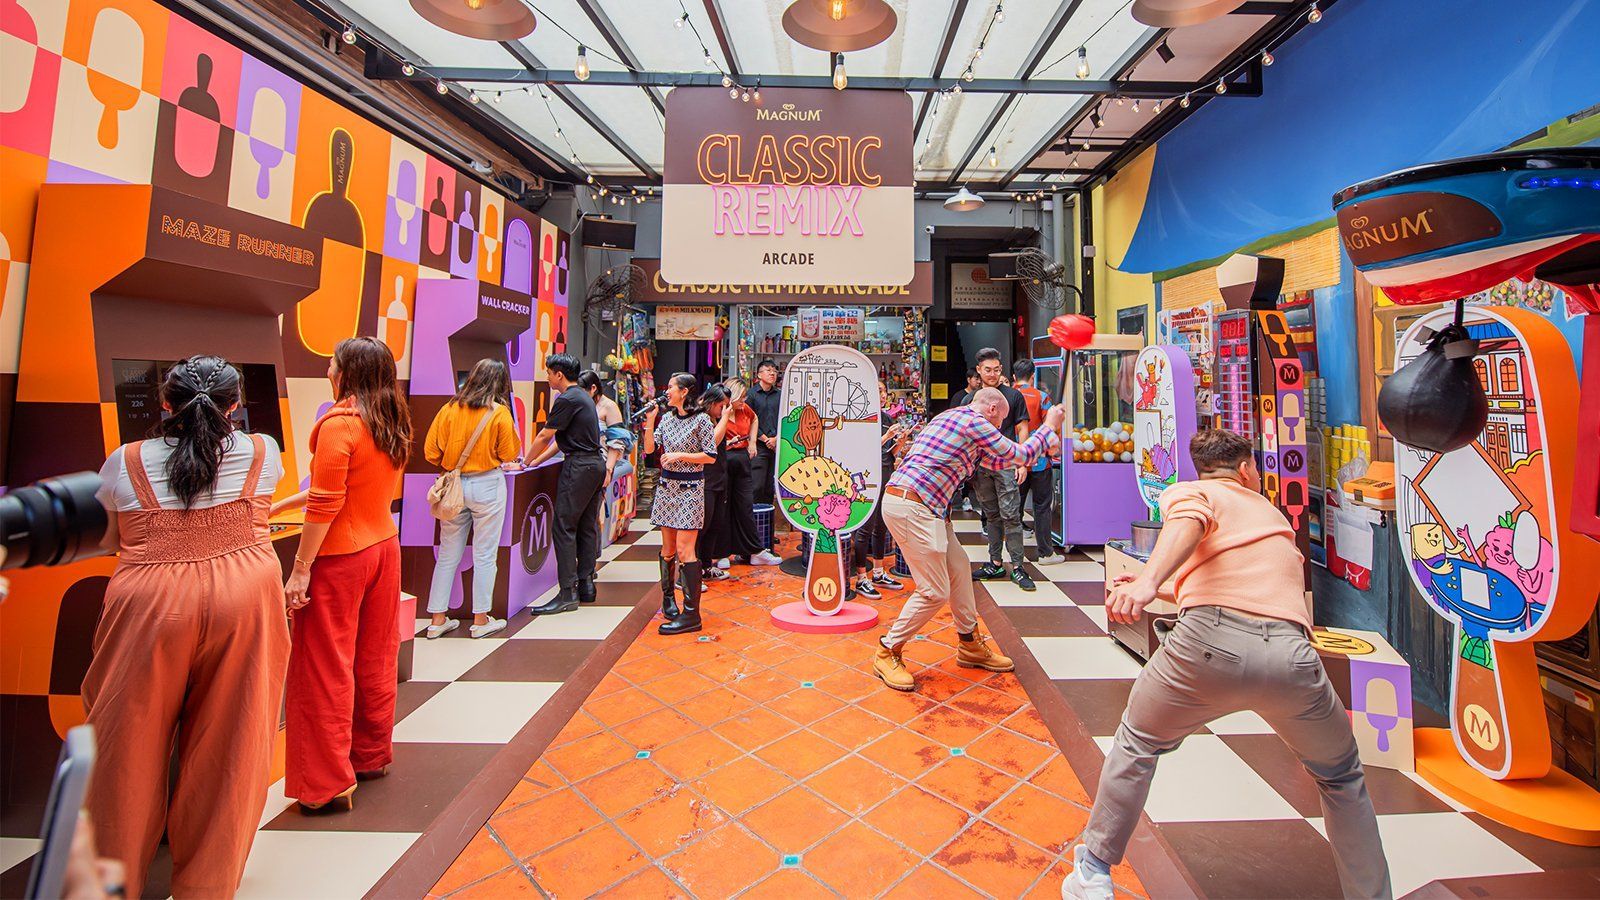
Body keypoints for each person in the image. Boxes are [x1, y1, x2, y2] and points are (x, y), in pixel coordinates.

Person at [1060, 429, 1390, 900]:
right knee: (1340, 778)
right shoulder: (1271, 517)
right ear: (1247, 470)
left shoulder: (1195, 492)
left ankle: (1092, 871)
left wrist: (1151, 582)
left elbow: (1190, 522)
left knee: (1136, 744)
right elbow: (1248, 585)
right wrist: (1160, 583)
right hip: (1291, 655)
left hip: (1206, 645)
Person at [84, 356, 288, 897]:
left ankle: (109, 884)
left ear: (165, 405)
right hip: (246, 593)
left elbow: (109, 538)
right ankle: (205, 888)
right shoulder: (265, 453)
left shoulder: (123, 461)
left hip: (150, 600)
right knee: (233, 749)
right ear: (235, 407)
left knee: (123, 752)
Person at [276, 336, 410, 814]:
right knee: (374, 656)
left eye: (331, 363)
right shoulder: (391, 419)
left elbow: (326, 503)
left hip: (339, 559)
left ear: (346, 372)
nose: (327, 370)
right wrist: (279, 505)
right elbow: (340, 488)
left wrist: (299, 570)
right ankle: (369, 755)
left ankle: (326, 784)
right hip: (382, 548)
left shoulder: (338, 425)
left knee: (323, 666)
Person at [872, 388, 1064, 692]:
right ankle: (887, 650)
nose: (999, 428)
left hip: (924, 507)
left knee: (960, 570)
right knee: (934, 591)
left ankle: (969, 644)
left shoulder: (952, 419)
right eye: (1000, 421)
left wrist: (1043, 447)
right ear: (991, 409)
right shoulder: (974, 422)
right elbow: (1019, 454)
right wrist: (1049, 425)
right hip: (915, 507)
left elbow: (996, 462)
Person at [422, 358, 520, 639]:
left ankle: (437, 619)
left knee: (447, 554)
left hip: (453, 485)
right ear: (500, 383)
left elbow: (431, 452)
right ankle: (480, 619)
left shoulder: (449, 409)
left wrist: (451, 465)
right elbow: (509, 453)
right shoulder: (499, 413)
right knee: (485, 554)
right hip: (488, 484)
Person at [525, 353, 607, 615]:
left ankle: (567, 592)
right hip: (594, 464)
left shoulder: (567, 399)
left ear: (559, 374)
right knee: (585, 526)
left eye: (549, 372)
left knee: (563, 526)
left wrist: (526, 462)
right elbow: (562, 439)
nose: (547, 377)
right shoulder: (583, 397)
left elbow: (545, 435)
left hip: (580, 467)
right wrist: (536, 460)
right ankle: (586, 585)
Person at [642, 372, 719, 635]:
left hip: (690, 488)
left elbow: (710, 456)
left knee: (687, 550)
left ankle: (691, 614)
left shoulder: (702, 421)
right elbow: (650, 451)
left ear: (684, 392)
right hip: (666, 488)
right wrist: (650, 422)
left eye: (671, 387)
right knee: (668, 549)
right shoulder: (666, 418)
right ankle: (667, 599)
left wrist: (678, 456)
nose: (667, 392)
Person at [962, 348, 1035, 590]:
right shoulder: (970, 400)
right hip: (981, 465)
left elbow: (1022, 429)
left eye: (996, 369)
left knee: (1012, 515)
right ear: (979, 371)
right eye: (987, 370)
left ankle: (1018, 567)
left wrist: (1022, 461)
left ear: (1001, 370)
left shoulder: (1013, 396)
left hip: (1006, 464)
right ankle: (995, 562)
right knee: (991, 515)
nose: (992, 374)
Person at [851, 380, 908, 599]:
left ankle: (879, 572)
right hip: (866, 476)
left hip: (885, 472)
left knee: (881, 526)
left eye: (883, 391)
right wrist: (886, 437)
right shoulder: (861, 418)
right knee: (865, 527)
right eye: (877, 391)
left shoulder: (887, 418)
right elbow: (862, 452)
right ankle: (861, 578)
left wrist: (900, 443)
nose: (882, 395)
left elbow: (890, 455)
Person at [1012, 358, 1066, 564]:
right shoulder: (1042, 398)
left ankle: (1013, 552)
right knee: (1042, 507)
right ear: (1033, 376)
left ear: (1014, 376)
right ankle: (1045, 552)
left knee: (1013, 507)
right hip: (1041, 461)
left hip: (1015, 460)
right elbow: (1052, 429)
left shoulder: (1007, 397)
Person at [694, 383, 738, 581]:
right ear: (711, 402)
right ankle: (690, 574)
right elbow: (711, 442)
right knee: (701, 528)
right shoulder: (701, 419)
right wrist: (726, 418)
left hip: (719, 478)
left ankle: (705, 567)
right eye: (722, 406)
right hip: (706, 480)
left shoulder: (714, 418)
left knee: (714, 525)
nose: (724, 410)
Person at [719, 377, 765, 566]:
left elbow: (755, 419)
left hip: (742, 460)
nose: (744, 401)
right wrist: (727, 443)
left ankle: (753, 550)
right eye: (742, 397)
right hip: (723, 462)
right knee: (723, 507)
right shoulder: (719, 411)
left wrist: (752, 442)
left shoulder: (744, 410)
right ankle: (721, 552)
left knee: (746, 505)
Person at [744, 359, 785, 566]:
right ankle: (753, 536)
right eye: (768, 370)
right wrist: (763, 439)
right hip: (758, 446)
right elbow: (748, 420)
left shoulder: (780, 395)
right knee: (756, 488)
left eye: (774, 370)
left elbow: (785, 418)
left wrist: (776, 438)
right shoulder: (751, 395)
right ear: (759, 374)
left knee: (770, 489)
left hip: (777, 445)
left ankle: (767, 535)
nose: (772, 373)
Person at [578, 370, 631, 488]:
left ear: (593, 388)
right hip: (581, 463)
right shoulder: (581, 404)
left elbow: (617, 440)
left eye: (582, 392)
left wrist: (608, 470)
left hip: (600, 463)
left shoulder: (609, 406)